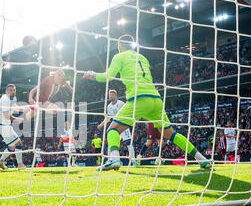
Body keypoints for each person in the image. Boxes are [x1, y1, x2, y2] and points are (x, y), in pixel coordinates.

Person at [82, 34, 211, 171]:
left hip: (139, 99)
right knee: (171, 134)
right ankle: (202, 159)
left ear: (120, 46)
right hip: (156, 99)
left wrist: (91, 75)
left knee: (112, 129)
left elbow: (107, 77)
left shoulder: (119, 57)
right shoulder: (143, 58)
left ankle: (114, 159)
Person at [97, 89, 137, 166]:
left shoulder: (121, 103)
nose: (110, 96)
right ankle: (110, 160)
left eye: (112, 95)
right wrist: (101, 125)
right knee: (111, 142)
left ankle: (133, 161)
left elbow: (128, 112)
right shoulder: (108, 107)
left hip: (123, 125)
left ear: (115, 95)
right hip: (114, 126)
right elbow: (108, 118)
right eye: (109, 95)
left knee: (128, 143)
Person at [0, 84, 29, 170]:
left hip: (4, 125)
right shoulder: (4, 99)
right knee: (18, 143)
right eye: (10, 90)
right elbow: (7, 116)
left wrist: (24, 109)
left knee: (12, 147)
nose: (12, 92)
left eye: (13, 90)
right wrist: (18, 119)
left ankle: (0, 162)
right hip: (3, 126)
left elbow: (15, 107)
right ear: (6, 91)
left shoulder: (13, 98)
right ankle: (20, 165)